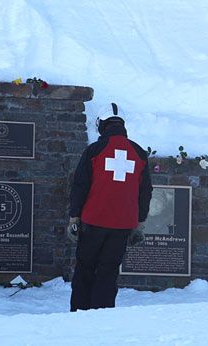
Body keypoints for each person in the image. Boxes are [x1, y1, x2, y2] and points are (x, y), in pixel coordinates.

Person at [67, 108, 152, 311]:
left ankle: (80, 312)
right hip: (123, 224)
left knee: (85, 268)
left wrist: (74, 217)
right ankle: (103, 315)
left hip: (93, 221)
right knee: (109, 271)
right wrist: (140, 221)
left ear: (102, 124)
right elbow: (145, 190)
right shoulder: (139, 153)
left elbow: (80, 185)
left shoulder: (95, 150)